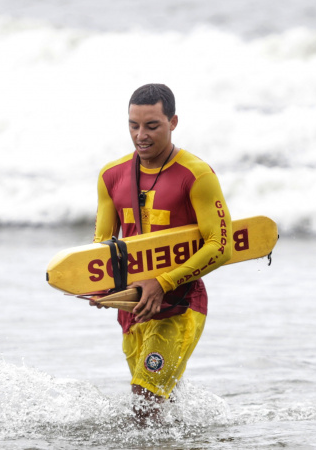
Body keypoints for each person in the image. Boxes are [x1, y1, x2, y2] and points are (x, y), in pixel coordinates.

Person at [91, 83, 232, 424]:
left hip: (180, 304)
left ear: (173, 122)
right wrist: (100, 287)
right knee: (156, 405)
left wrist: (163, 282)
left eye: (152, 126)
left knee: (144, 404)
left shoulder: (196, 174)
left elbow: (220, 246)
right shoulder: (111, 176)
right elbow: (103, 244)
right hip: (133, 308)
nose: (140, 135)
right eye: (133, 125)